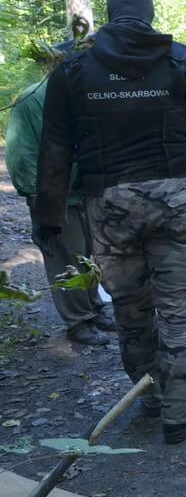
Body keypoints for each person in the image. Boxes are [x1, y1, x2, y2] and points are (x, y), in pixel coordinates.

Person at [34, 0, 186, 444]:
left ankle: (150, 397)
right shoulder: (177, 61)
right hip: (174, 203)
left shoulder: (74, 69)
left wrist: (48, 217)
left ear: (110, 11)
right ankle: (180, 412)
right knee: (177, 310)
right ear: (148, 10)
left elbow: (54, 148)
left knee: (131, 310)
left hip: (110, 208)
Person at [5, 35, 114, 347]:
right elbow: (21, 153)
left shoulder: (83, 93)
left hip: (85, 188)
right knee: (65, 255)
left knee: (90, 252)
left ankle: (94, 309)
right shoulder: (32, 99)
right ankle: (77, 322)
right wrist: (37, 197)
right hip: (53, 193)